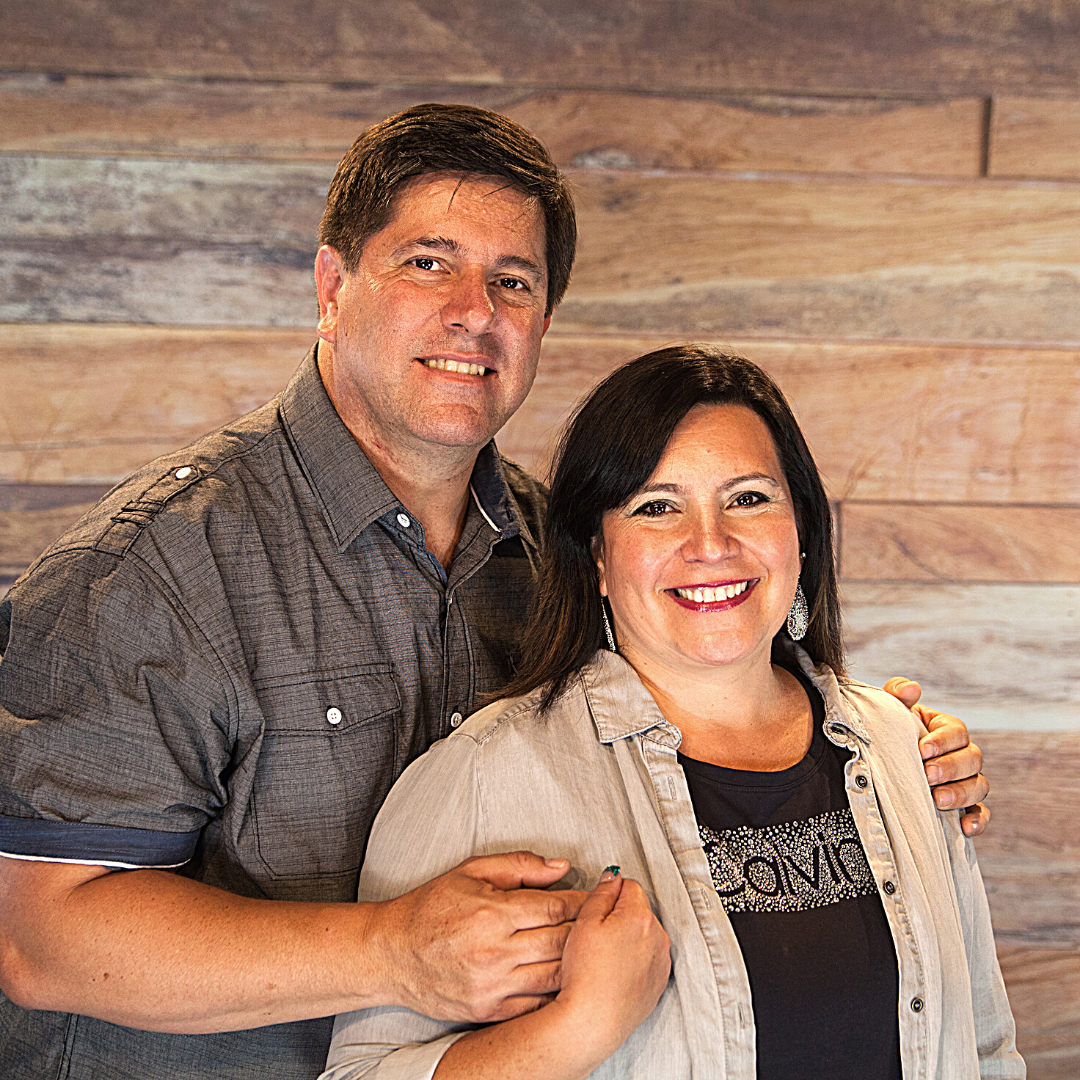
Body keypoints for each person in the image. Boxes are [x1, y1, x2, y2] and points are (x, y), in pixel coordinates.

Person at [0, 107, 987, 1079]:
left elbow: (717, 660)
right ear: (333, 288)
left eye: (513, 280)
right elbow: (40, 939)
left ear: (542, 321)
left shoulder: (561, 551)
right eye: (429, 263)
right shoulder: (155, 568)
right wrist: (393, 951)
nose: (475, 310)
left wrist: (888, 751)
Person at [322, 346, 1022, 1080]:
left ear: (802, 531)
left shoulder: (909, 752)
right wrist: (576, 1028)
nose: (711, 544)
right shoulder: (481, 780)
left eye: (748, 499)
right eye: (657, 507)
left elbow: (986, 1049)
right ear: (596, 557)